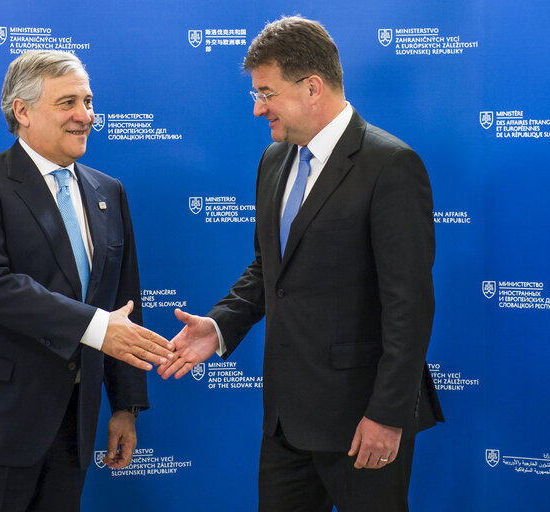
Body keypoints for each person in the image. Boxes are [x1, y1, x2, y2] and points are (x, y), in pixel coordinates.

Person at [158, 16, 443, 511]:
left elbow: (409, 306)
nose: (256, 108)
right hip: (285, 423)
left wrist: (387, 416)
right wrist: (220, 327)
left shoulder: (391, 165)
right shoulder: (274, 160)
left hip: (363, 423)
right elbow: (269, 268)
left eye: (266, 92)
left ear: (312, 87)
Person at [0, 50, 173, 512]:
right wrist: (97, 327)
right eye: (68, 103)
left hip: (73, 426)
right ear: (22, 111)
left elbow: (123, 303)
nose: (86, 116)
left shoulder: (108, 191)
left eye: (89, 101)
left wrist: (125, 405)